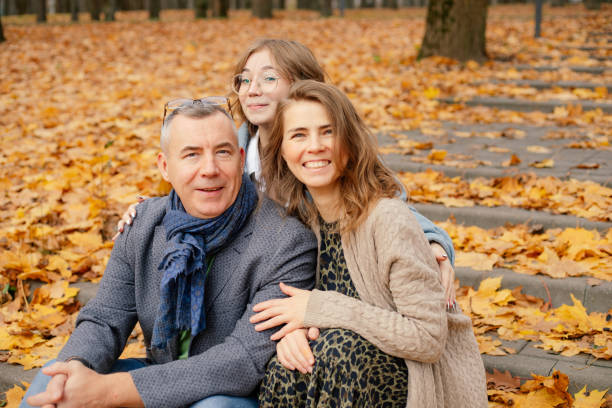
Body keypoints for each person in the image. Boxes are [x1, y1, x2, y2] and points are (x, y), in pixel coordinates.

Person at [117, 38, 457, 307]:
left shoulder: (318, 156)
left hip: (320, 285)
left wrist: (433, 243)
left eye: (268, 78)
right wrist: (152, 211)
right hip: (245, 290)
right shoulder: (228, 148)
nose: (252, 89)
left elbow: (384, 202)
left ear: (301, 87)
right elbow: (196, 187)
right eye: (244, 80)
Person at [21, 100, 317, 408]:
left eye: (223, 152)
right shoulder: (144, 224)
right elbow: (103, 319)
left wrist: (107, 392)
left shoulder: (286, 241)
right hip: (159, 376)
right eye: (191, 155)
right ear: (165, 166)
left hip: (235, 395)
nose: (210, 169)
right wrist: (75, 366)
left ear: (241, 159)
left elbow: (239, 362)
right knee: (54, 379)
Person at [250, 80, 487, 407]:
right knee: (286, 367)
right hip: (338, 369)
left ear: (350, 142)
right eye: (299, 135)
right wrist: (294, 331)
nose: (315, 145)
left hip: (407, 376)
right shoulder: (297, 221)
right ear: (282, 150)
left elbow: (428, 339)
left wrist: (323, 308)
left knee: (344, 354)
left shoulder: (388, 219)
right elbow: (298, 307)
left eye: (328, 132)